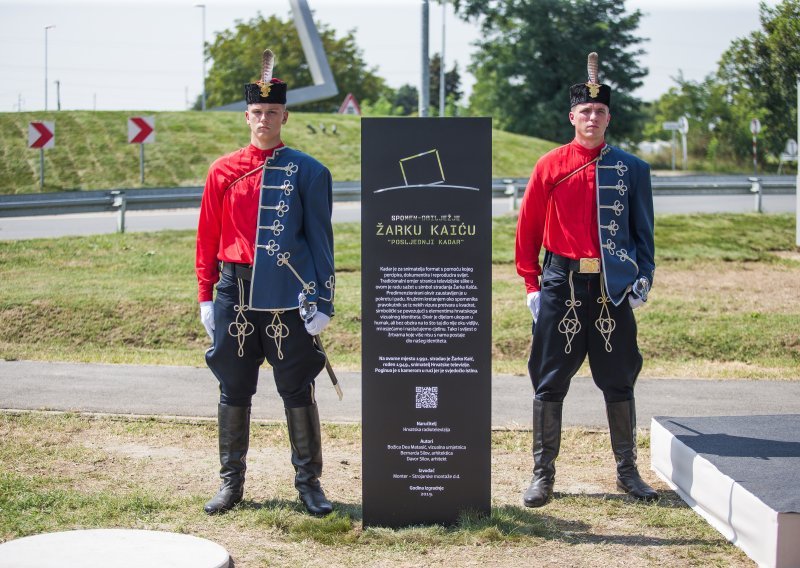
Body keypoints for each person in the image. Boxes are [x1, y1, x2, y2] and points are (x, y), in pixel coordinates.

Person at [195, 49, 336, 516]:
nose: (263, 120)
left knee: (297, 389)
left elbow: (320, 243)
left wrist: (323, 301)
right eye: (256, 113)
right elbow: (208, 238)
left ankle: (309, 484)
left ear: (285, 116)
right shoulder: (222, 171)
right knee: (233, 389)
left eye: (272, 113)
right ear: (247, 115)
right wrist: (205, 295)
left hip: (286, 297)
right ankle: (230, 483)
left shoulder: (310, 172)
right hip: (234, 292)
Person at [515, 52, 658, 507]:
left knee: (618, 378)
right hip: (562, 282)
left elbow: (643, 232)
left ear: (608, 116)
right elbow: (528, 229)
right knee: (550, 378)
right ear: (572, 115)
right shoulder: (550, 165)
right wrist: (532, 284)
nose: (591, 117)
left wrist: (643, 279)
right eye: (585, 111)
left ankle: (627, 472)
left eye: (599, 111)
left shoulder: (632, 169)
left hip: (612, 286)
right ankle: (543, 475)